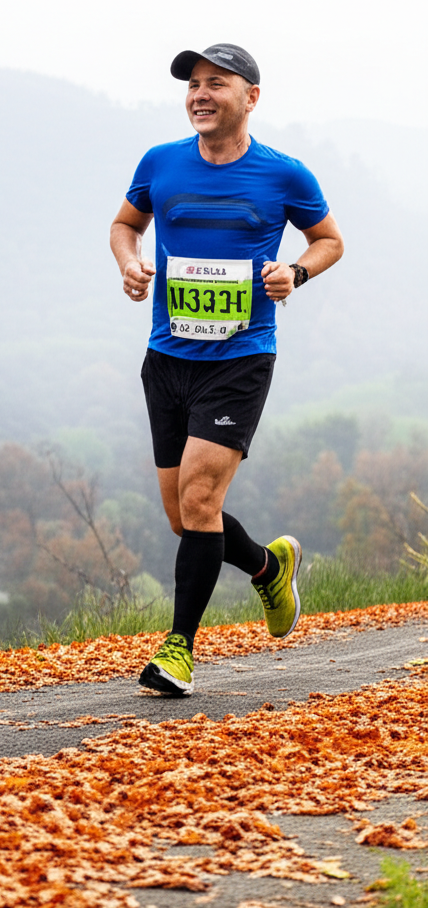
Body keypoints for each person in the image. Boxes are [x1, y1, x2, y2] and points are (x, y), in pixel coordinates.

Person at [109, 43, 344, 696]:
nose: (200, 95)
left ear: (251, 97)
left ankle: (178, 651)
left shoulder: (284, 174)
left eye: (217, 83)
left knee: (202, 497)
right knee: (185, 517)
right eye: (193, 86)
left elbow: (329, 240)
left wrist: (294, 271)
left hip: (240, 361)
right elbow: (125, 225)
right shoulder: (160, 164)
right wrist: (129, 263)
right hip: (167, 359)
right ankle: (268, 567)